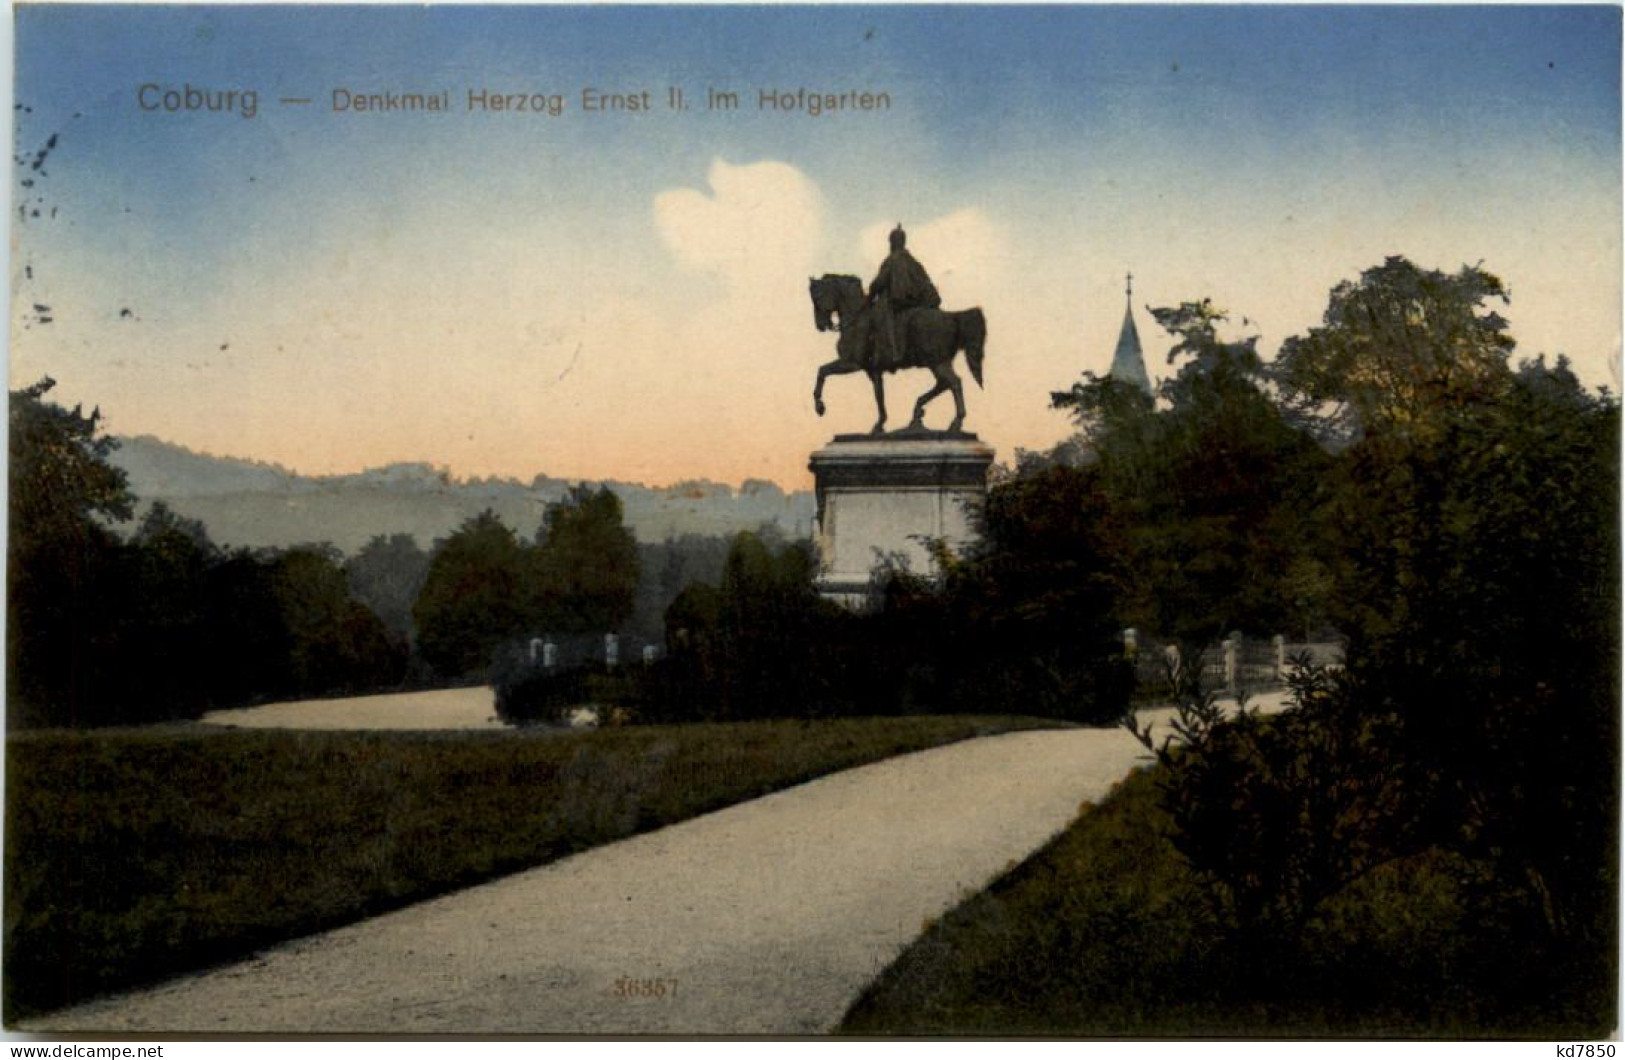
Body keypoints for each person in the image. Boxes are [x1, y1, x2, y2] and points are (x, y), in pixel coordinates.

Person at [865, 225, 940, 369]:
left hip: (900, 301)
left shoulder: (892, 259)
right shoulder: (912, 260)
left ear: (893, 242)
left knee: (883, 318)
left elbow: (880, 281)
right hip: (919, 302)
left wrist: (870, 296)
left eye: (891, 242)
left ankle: (894, 352)